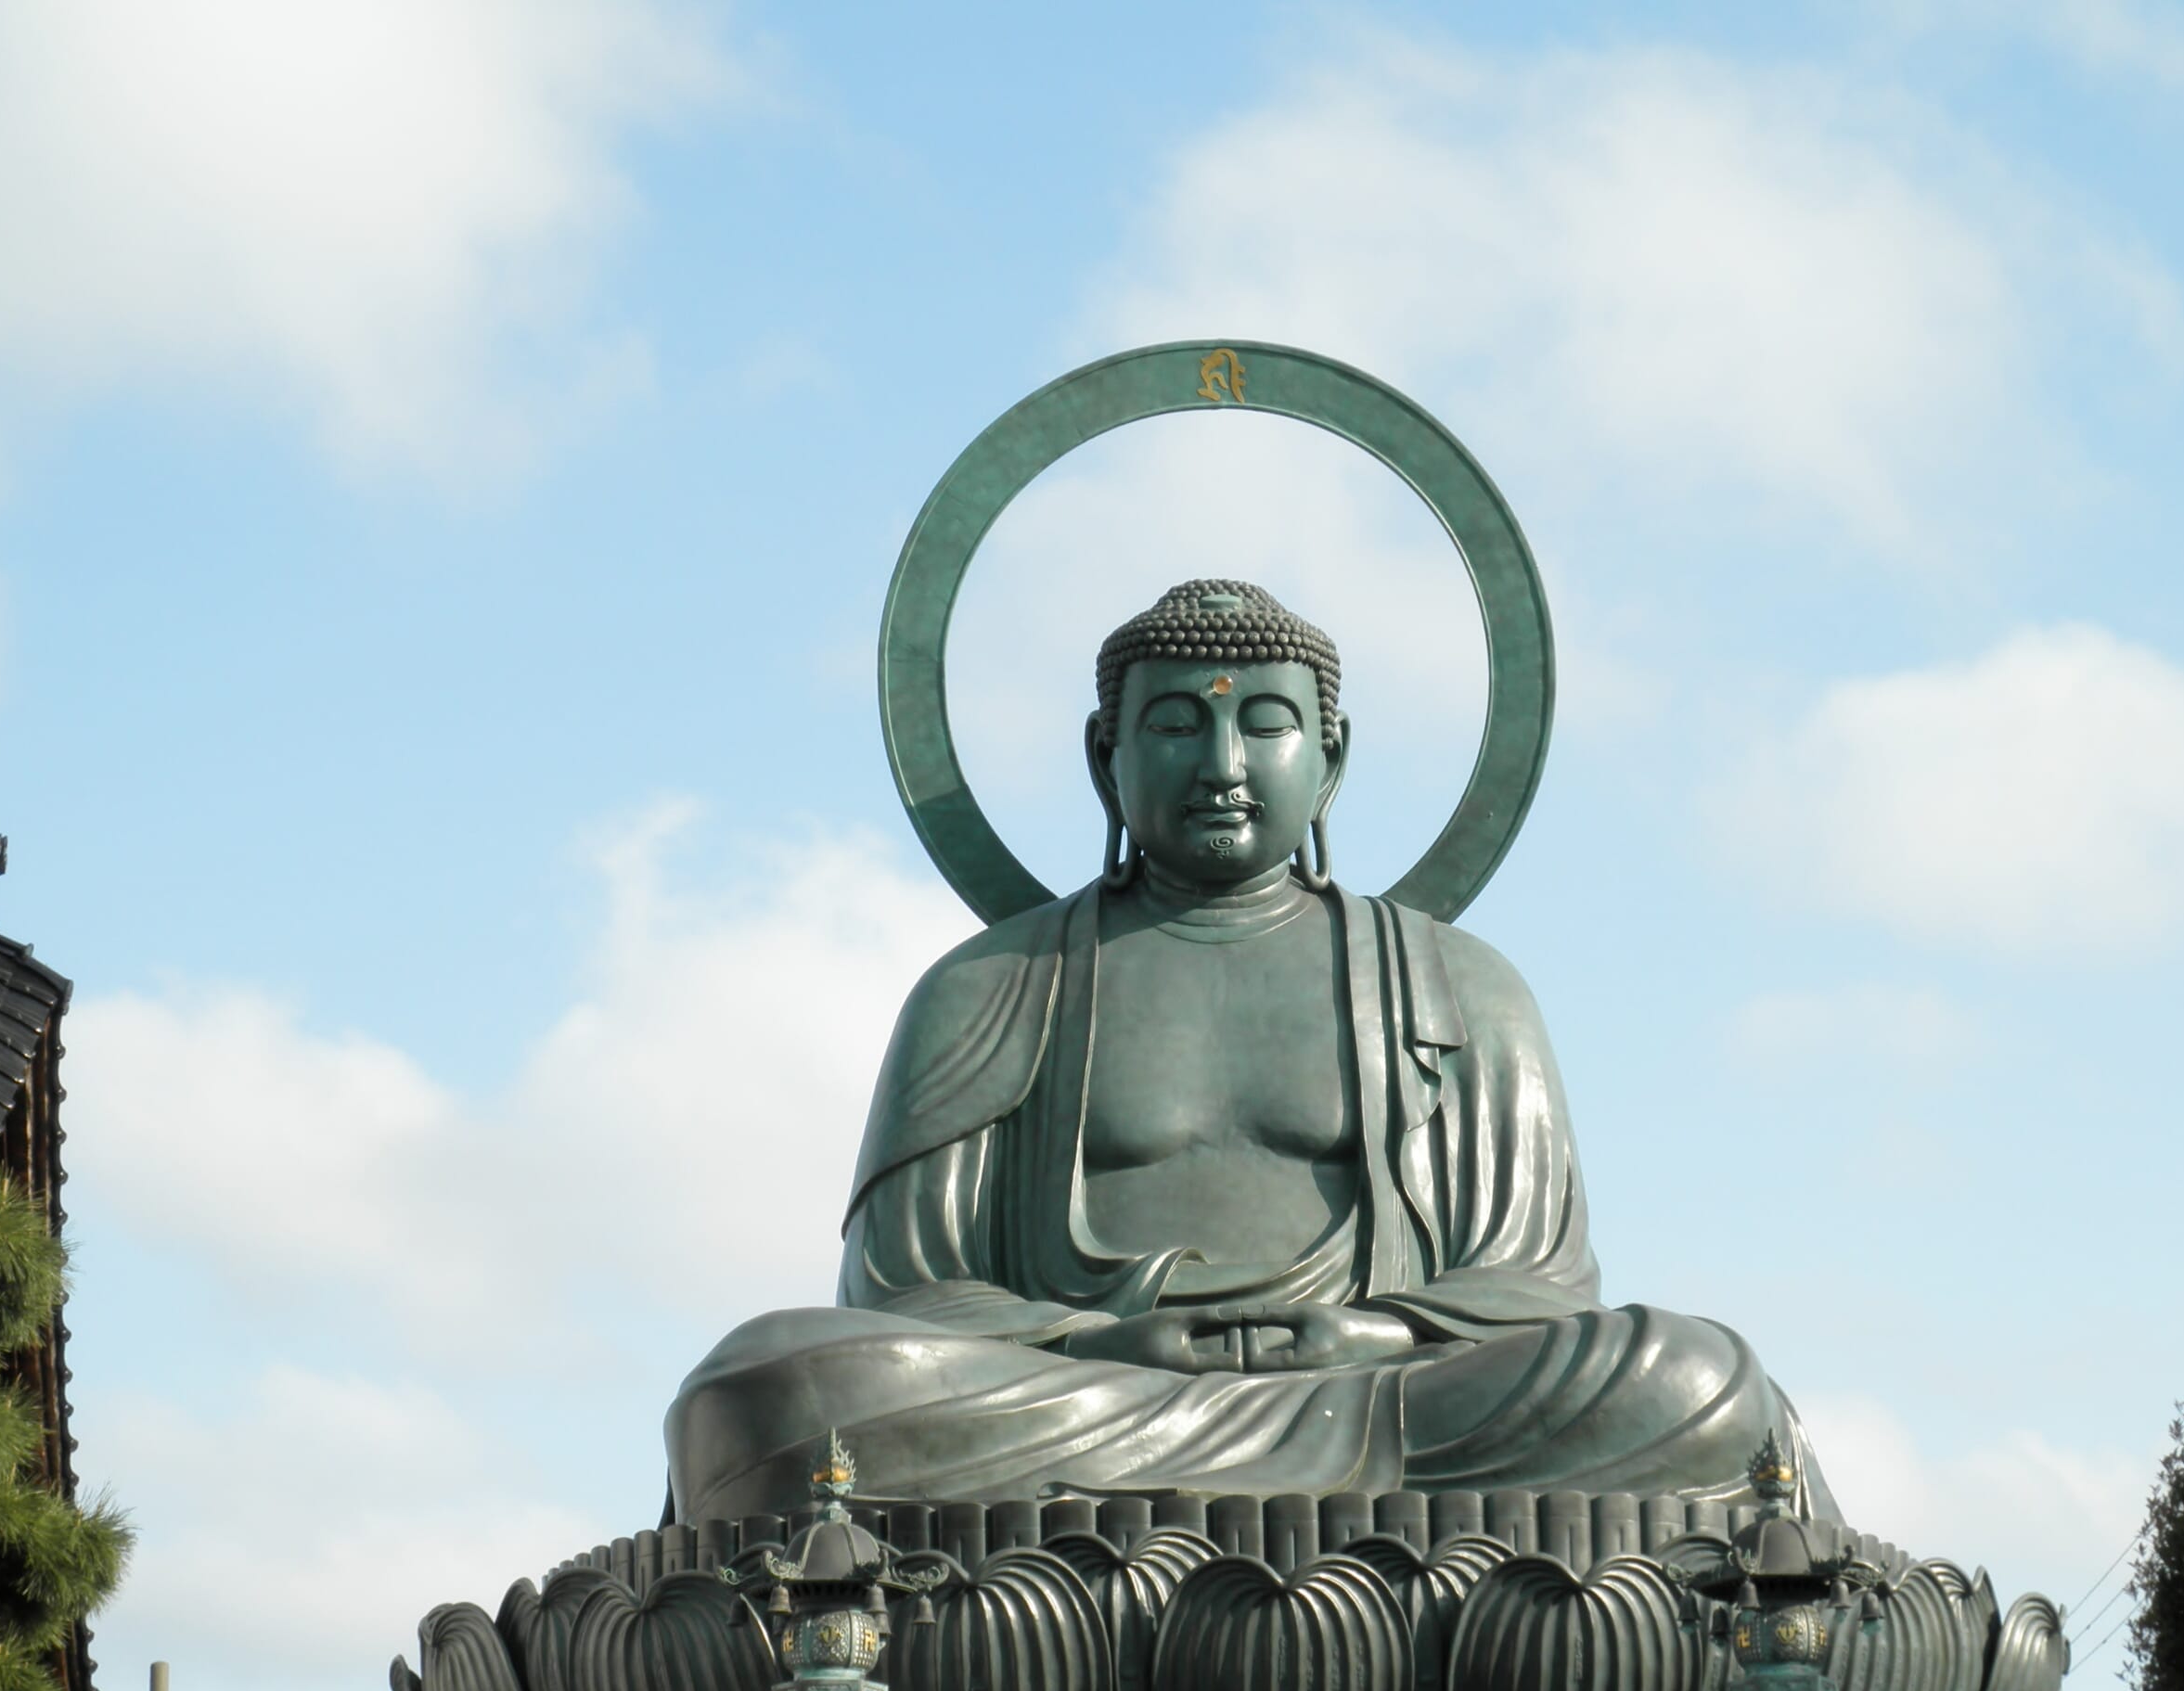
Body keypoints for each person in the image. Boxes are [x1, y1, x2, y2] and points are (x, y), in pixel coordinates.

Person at [667, 581, 1835, 1518]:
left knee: (1694, 1377)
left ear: (1330, 758)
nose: (1222, 763)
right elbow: (902, 1294)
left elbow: (1536, 1286)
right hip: (1089, 1398)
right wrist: (1102, 1336)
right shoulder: (987, 986)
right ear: (1103, 757)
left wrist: (1381, 1332)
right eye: (1175, 724)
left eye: (1263, 722)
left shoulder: (1460, 982)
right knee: (770, 1389)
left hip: (1389, 1400)